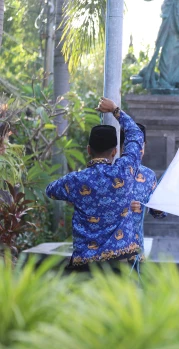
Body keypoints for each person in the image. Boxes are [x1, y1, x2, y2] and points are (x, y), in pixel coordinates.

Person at [46, 97, 144, 273]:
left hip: (85, 265)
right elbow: (136, 134)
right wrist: (115, 110)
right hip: (120, 264)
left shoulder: (75, 181)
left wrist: (74, 197)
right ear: (115, 152)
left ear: (88, 149)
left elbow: (50, 190)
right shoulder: (125, 171)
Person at [119, 124, 166, 253]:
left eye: (141, 145)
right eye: (133, 146)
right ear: (121, 147)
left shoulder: (148, 176)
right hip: (108, 251)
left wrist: (157, 206)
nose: (138, 150)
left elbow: (159, 214)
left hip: (135, 249)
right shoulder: (110, 172)